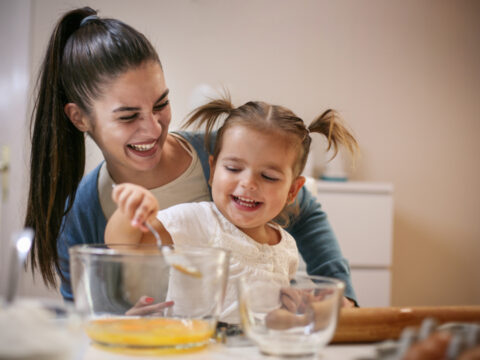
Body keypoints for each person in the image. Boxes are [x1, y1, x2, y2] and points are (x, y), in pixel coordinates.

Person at [24, 6, 358, 307]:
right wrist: (125, 320)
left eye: (160, 105)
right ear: (79, 117)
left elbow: (305, 214)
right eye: (128, 116)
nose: (153, 128)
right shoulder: (82, 216)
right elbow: (86, 316)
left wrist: (343, 299)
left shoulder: (219, 154)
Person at [105, 96, 358, 323]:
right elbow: (123, 245)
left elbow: (265, 320)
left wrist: (294, 312)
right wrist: (131, 211)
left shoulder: (286, 248)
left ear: (293, 191)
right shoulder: (196, 221)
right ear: (213, 170)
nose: (248, 183)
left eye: (268, 176)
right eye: (234, 169)